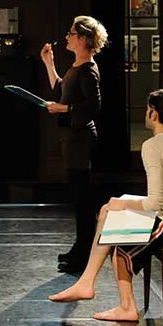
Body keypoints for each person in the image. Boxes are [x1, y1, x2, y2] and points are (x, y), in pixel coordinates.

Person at [49, 89, 163, 323]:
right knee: (107, 210)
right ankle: (86, 282)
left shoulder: (154, 145)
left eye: (148, 110)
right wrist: (119, 205)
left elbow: (156, 202)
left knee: (120, 248)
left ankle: (125, 306)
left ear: (153, 114)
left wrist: (122, 202)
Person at [39, 15, 108, 273]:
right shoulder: (76, 66)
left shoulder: (88, 69)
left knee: (82, 199)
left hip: (80, 139)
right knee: (78, 197)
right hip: (72, 138)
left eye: (70, 33)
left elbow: (93, 107)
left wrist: (63, 108)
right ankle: (80, 248)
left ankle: (84, 253)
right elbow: (60, 90)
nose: (66, 37)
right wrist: (49, 63)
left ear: (81, 39)